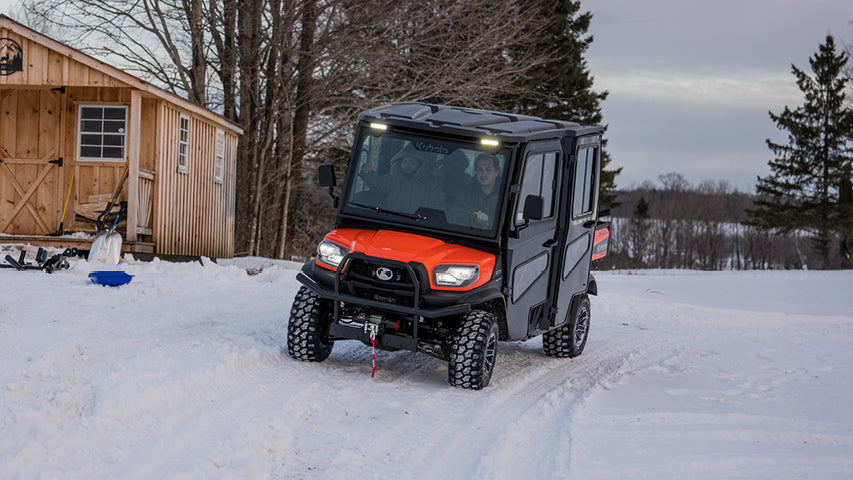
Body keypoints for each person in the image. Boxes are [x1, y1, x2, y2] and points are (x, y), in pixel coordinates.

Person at [358, 146, 443, 213]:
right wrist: (369, 174)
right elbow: (378, 184)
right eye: (405, 161)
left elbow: (437, 206)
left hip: (419, 225)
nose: (407, 165)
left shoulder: (431, 184)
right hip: (392, 220)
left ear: (421, 166)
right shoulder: (393, 179)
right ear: (400, 162)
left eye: (412, 163)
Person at [449, 153, 501, 228]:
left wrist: (489, 221)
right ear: (476, 171)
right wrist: (473, 217)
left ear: (496, 172)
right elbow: (453, 215)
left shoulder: (504, 194)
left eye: (488, 170)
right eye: (480, 169)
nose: (483, 174)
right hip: (468, 235)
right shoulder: (466, 192)